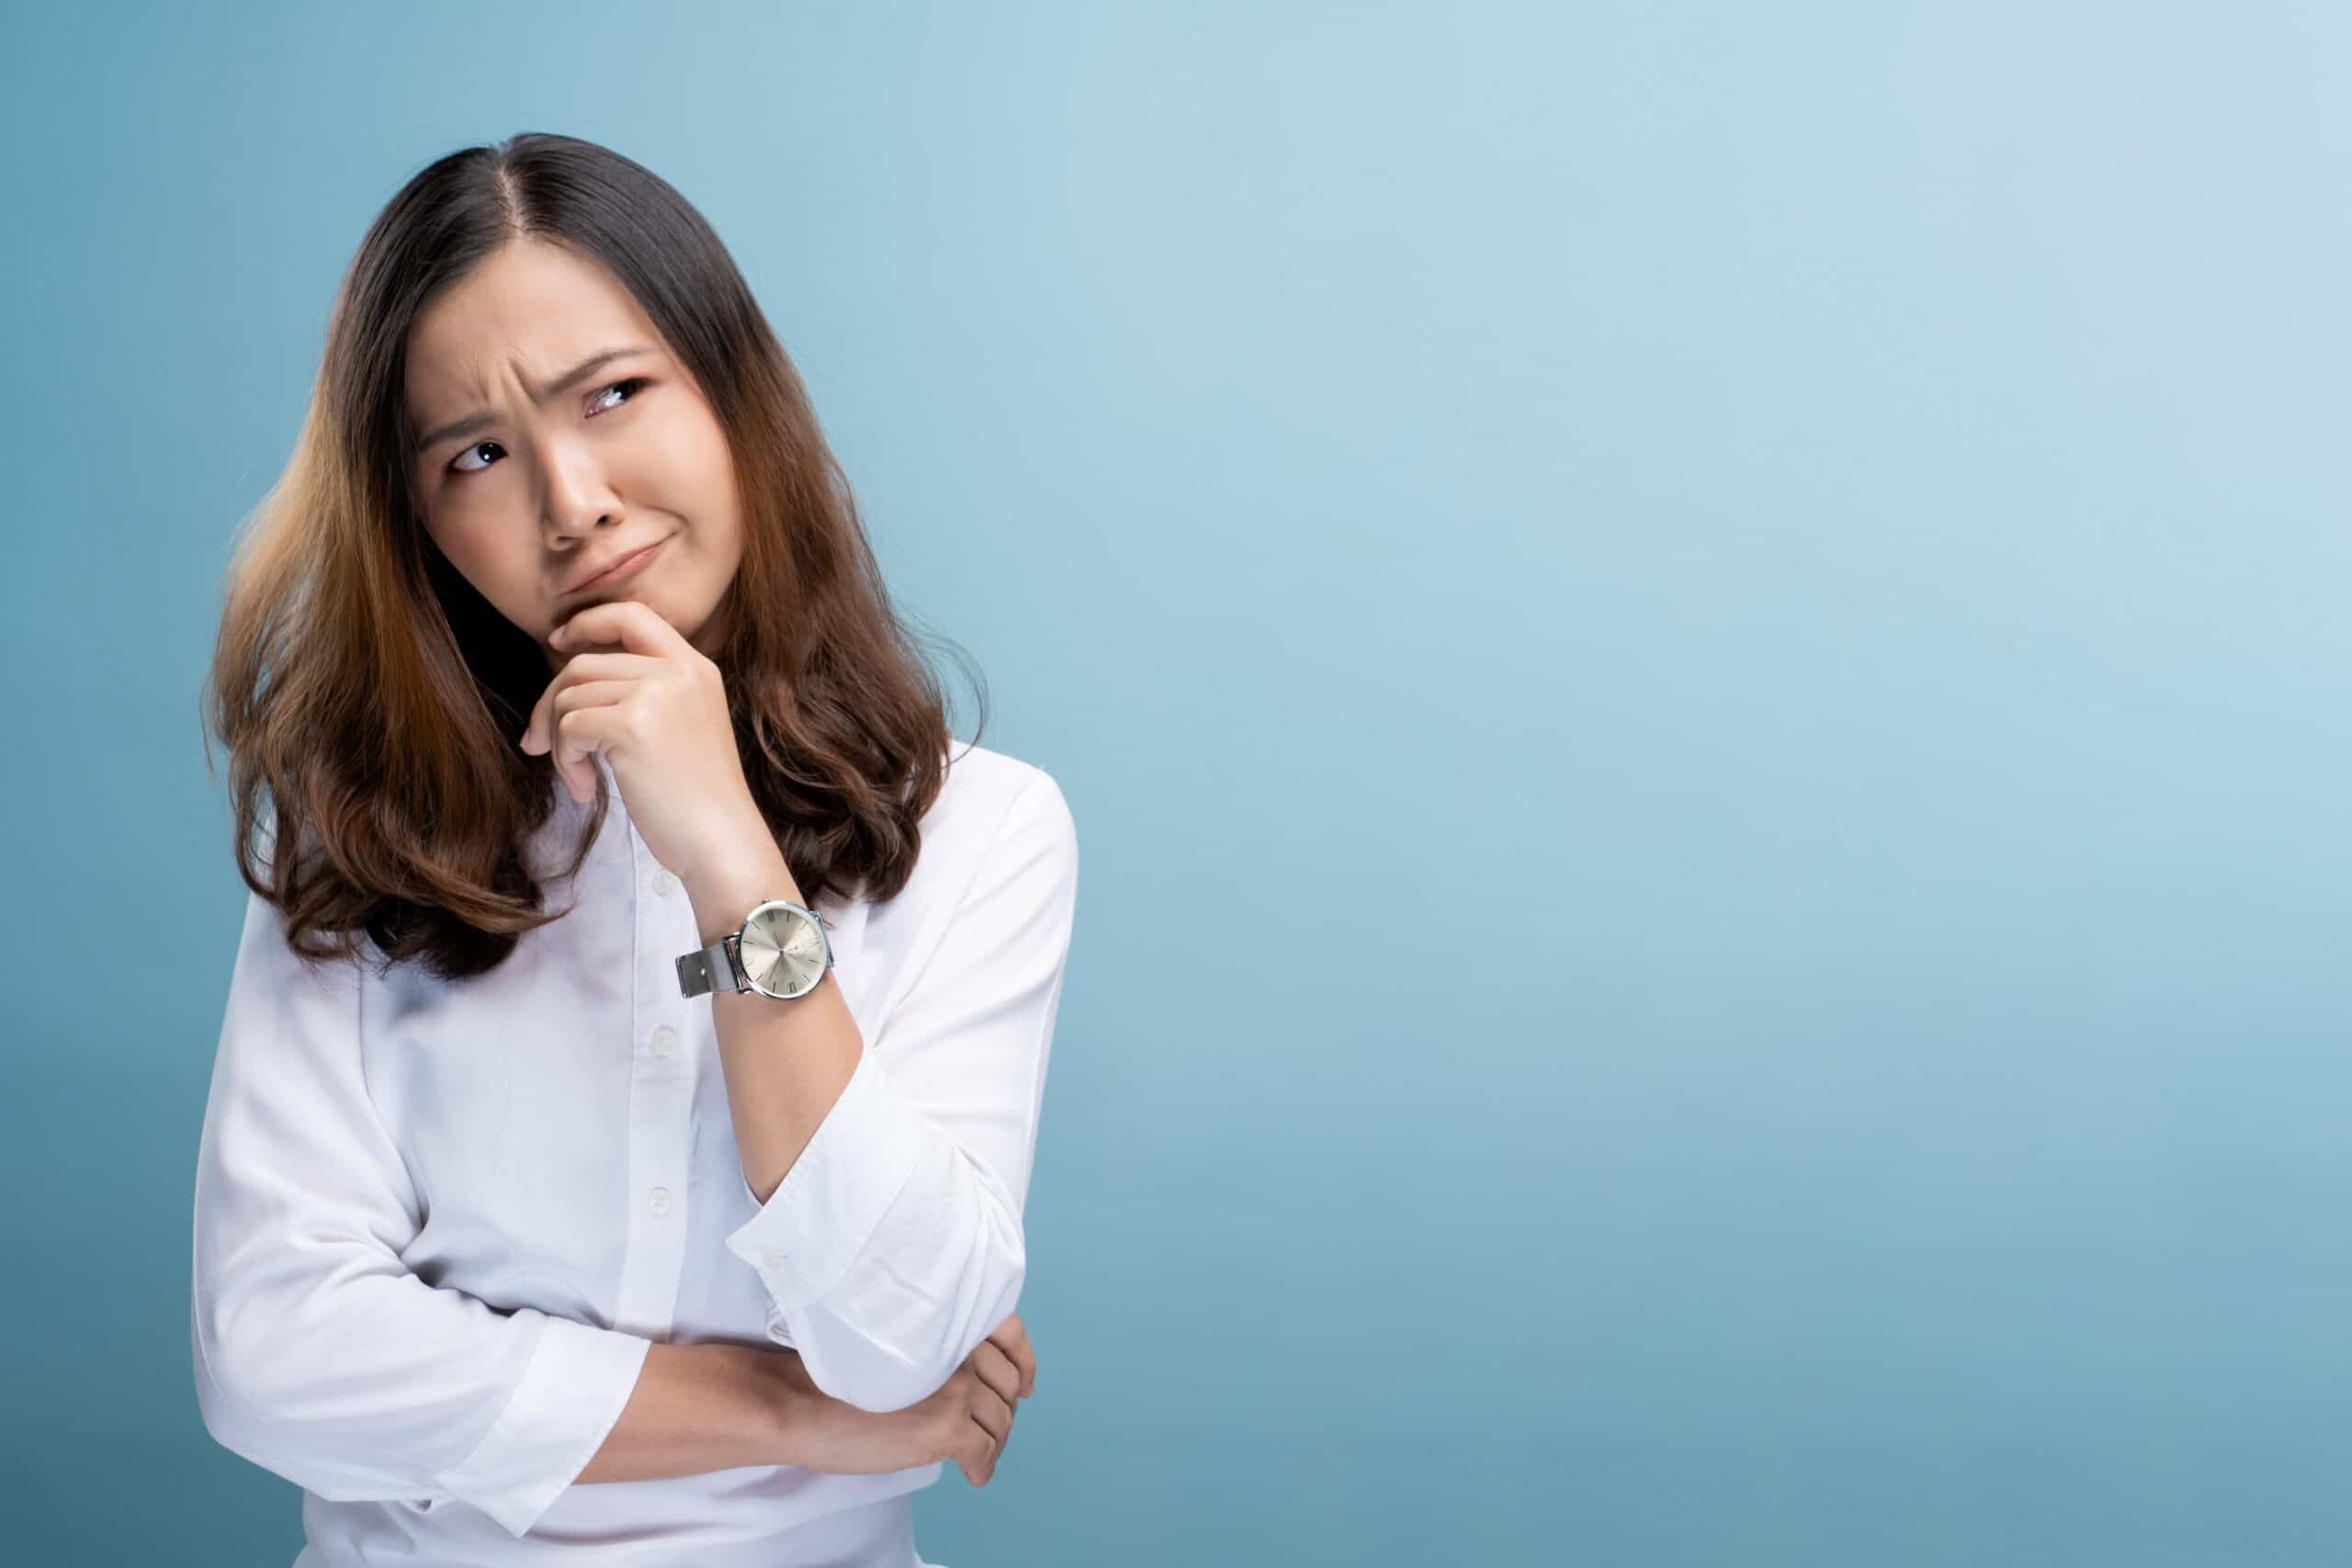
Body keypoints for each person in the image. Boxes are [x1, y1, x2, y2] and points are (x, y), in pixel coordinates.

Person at [190, 132, 1079, 1567]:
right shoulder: (363, 827)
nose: (573, 501)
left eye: (614, 394)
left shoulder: (982, 830)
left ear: (734, 393)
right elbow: (272, 1350)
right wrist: (782, 1414)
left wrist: (729, 852)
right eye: (477, 454)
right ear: (422, 526)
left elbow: (904, 1337)